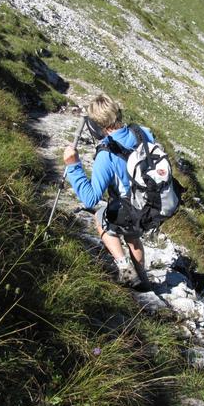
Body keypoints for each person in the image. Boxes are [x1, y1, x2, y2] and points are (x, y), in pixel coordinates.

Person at [62, 94, 154, 288]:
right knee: (132, 234)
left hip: (130, 206)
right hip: (150, 202)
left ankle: (126, 271)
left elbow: (90, 198)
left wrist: (73, 165)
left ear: (96, 126)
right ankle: (143, 279)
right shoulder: (143, 132)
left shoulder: (106, 155)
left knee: (100, 218)